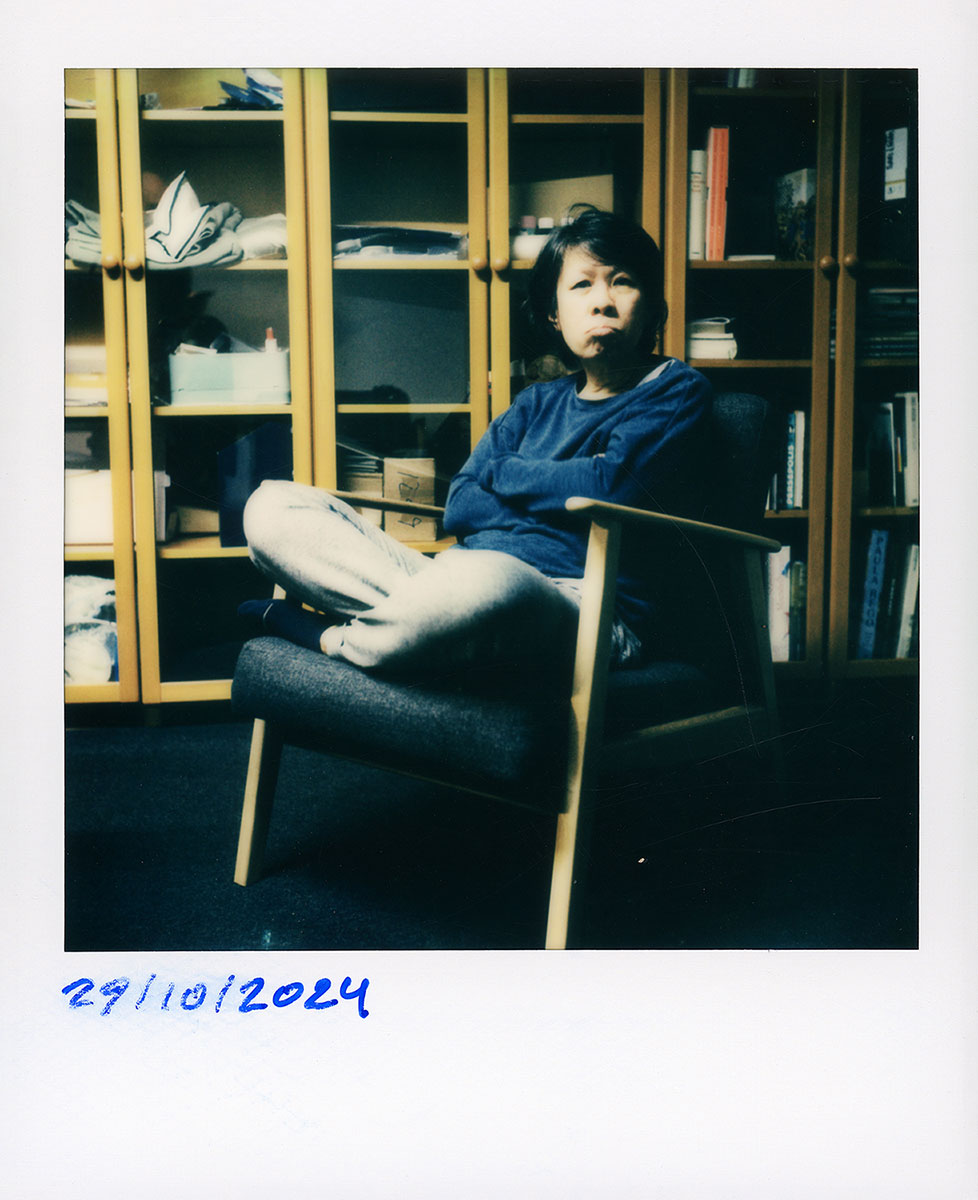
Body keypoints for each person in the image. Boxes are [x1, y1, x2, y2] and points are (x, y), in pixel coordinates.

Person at [239, 206, 713, 676]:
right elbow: (461, 506)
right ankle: (421, 629)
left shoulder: (674, 389)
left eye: (622, 281)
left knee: (491, 584)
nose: (602, 301)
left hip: (579, 604)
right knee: (273, 507)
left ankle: (330, 637)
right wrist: (556, 500)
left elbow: (610, 485)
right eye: (582, 284)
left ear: (650, 306)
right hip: (456, 582)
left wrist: (506, 474)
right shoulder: (535, 403)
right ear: (554, 314)